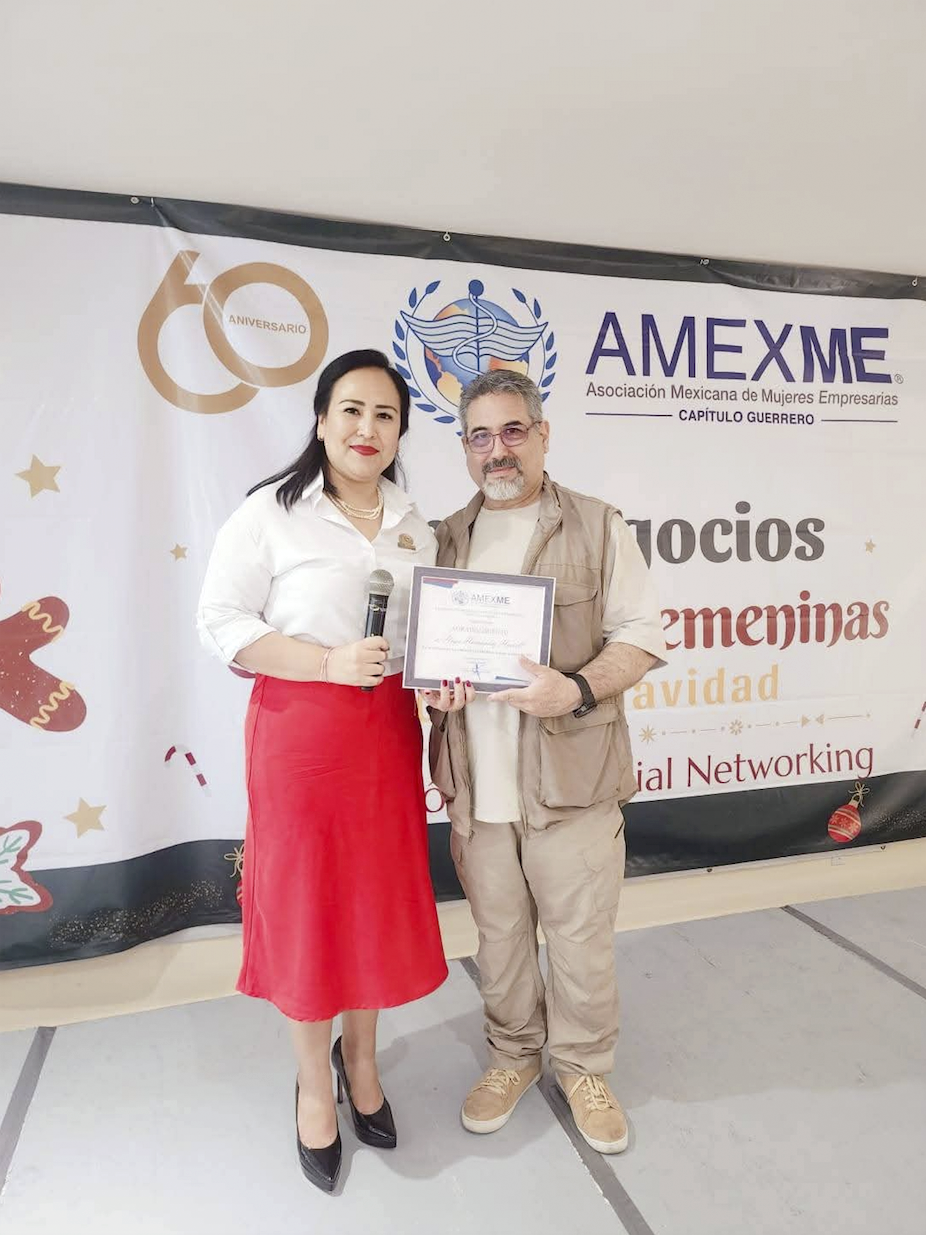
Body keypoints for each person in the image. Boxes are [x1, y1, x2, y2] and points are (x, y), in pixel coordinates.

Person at [197, 349, 470, 1193]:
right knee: (311, 905)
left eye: (385, 415)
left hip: (385, 735)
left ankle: (363, 1061)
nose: (367, 428)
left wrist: (444, 679)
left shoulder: (415, 526)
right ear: (320, 420)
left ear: (401, 431)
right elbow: (220, 620)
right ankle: (314, 1083)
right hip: (301, 735)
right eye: (351, 409)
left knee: (372, 900)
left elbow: (428, 638)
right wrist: (324, 663)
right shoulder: (270, 514)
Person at [428, 369, 666, 1154]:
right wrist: (437, 691)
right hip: (477, 788)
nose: (498, 450)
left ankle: (585, 1066)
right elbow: (425, 661)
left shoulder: (597, 525)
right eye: (481, 435)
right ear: (465, 446)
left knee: (580, 940)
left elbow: (642, 637)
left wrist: (575, 688)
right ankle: (513, 1056)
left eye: (513, 431)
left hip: (573, 783)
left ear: (542, 434)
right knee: (498, 939)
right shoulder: (443, 539)